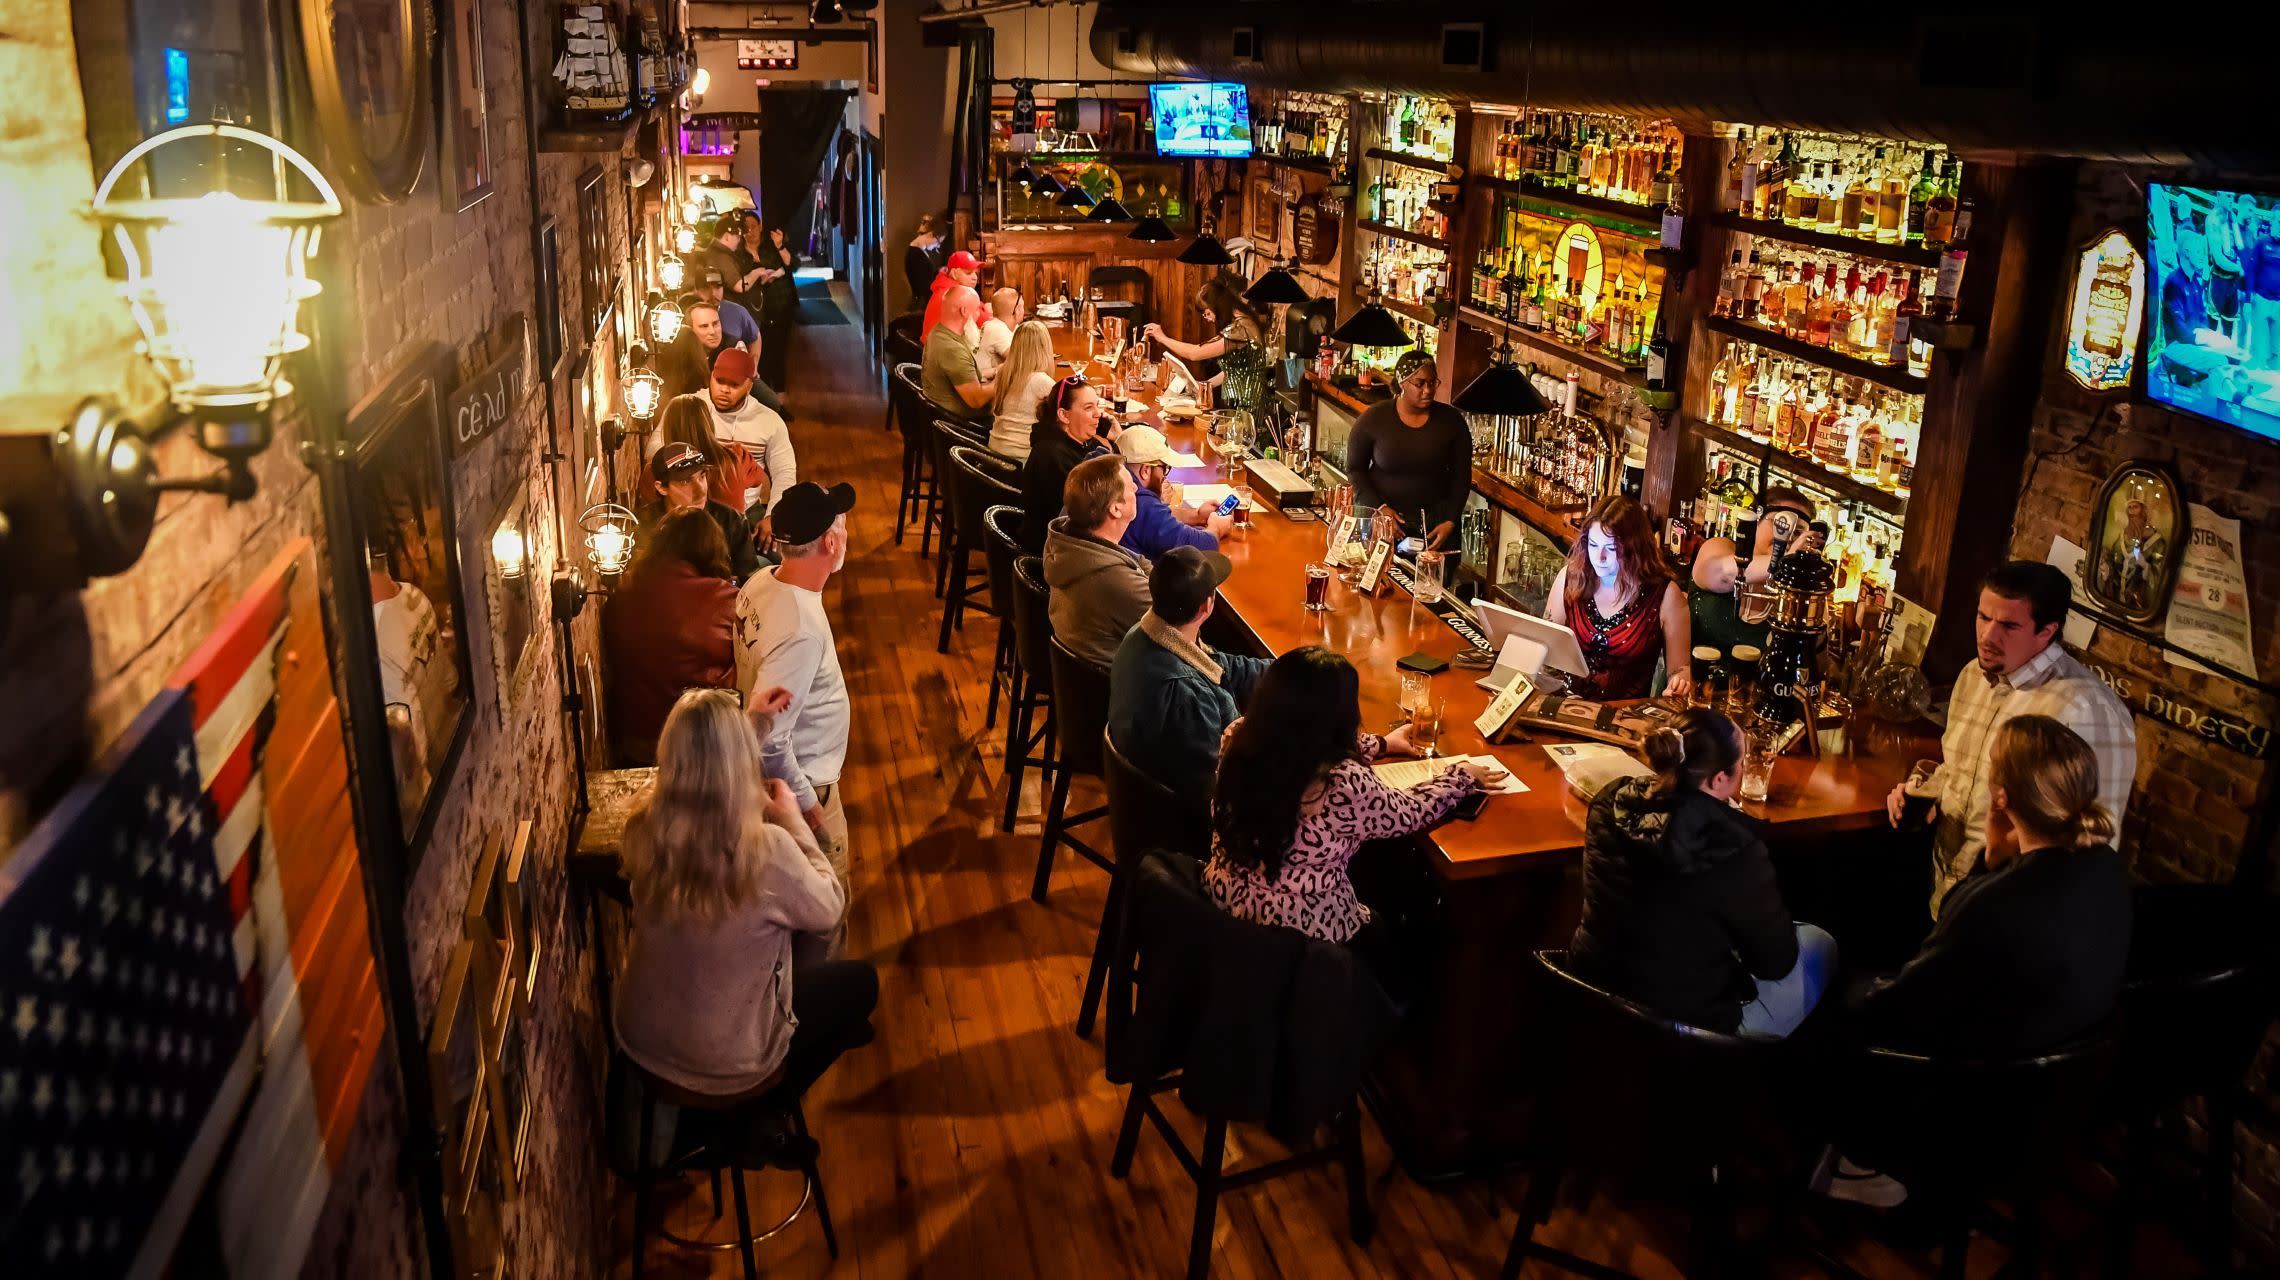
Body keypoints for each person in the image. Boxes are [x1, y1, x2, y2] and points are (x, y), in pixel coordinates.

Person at [613, 689, 876, 1106]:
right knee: (862, 985)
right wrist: (794, 822)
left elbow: (705, 763)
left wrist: (752, 724)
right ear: (741, 764)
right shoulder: (766, 851)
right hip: (731, 1072)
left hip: (641, 1048)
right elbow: (829, 906)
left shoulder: (646, 830)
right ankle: (765, 1118)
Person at [1857, 714, 2132, 1058]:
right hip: (2068, 1079)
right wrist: (1994, 857)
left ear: (2000, 797)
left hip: (1979, 1081)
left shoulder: (1995, 903)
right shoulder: (2106, 864)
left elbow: (1896, 1005)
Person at [1883, 561, 2136, 917]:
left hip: (2011, 912)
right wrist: (1920, 791)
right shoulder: (1973, 674)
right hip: (1949, 893)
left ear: (2047, 631)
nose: (1987, 636)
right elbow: (1960, 769)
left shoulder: (2087, 710)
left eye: (2008, 625)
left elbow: (2094, 839)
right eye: (1984, 617)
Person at [1205, 647, 1501, 946]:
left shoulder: (1238, 736)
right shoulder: (1341, 781)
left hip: (1225, 903)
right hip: (1303, 933)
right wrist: (1461, 775)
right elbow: (1408, 813)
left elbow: (1296, 744)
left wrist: (1383, 744)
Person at [1569, 708, 1837, 1037]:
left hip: (1592, 988)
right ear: (1719, 778)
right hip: (1689, 1025)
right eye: (1740, 765)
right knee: (1819, 943)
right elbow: (1774, 963)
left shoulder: (1610, 799)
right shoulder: (1735, 847)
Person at [736, 482, 858, 929]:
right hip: (806, 786)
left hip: (781, 785)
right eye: (842, 528)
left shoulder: (760, 582)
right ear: (829, 542)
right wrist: (810, 809)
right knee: (826, 918)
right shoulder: (801, 629)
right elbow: (771, 741)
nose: (845, 536)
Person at [1107, 546, 1268, 800]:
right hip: (1184, 820)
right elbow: (1217, 784)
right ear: (1207, 606)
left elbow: (1221, 665)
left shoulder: (1143, 633)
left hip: (1144, 792)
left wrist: (1285, 671)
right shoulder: (1186, 695)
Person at [601, 508, 742, 764]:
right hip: (705, 743)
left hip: (637, 744)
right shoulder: (727, 600)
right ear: (713, 550)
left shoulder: (621, 598)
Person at [1545, 495, 1693, 701]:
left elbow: (1680, 670)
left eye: (1611, 548)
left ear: (1636, 547)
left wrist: (1680, 683)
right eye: (1594, 545)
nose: (1600, 557)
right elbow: (1545, 644)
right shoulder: (1571, 577)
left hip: (1623, 719)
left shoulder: (1666, 595)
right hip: (1565, 705)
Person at [1342, 350, 1473, 551]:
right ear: (1402, 383)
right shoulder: (1374, 418)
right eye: (1419, 384)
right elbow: (1354, 469)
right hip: (1382, 520)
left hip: (1435, 526)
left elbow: (1462, 477)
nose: (1428, 390)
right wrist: (1379, 509)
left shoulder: (1452, 422)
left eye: (1432, 382)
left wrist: (1450, 520)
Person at [1043, 455, 1151, 669]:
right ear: (1115, 509)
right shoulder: (1116, 580)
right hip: (1121, 693)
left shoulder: (1067, 544)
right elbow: (1179, 631)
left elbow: (1136, 560)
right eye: (1131, 487)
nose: (1137, 491)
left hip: (1080, 684)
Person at [635, 441, 759, 581]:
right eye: (685, 481)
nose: (701, 490)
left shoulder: (733, 521)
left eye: (702, 476)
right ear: (661, 488)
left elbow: (749, 581)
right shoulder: (643, 524)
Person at [1020, 374, 1117, 552]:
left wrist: (1115, 437)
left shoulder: (1078, 442)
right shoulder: (1053, 457)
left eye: (1098, 406)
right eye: (1088, 408)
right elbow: (1096, 513)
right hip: (1055, 554)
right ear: (1064, 415)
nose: (1098, 414)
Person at [705, 347, 797, 531]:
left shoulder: (769, 421)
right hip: (701, 509)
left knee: (778, 555)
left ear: (749, 386)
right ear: (711, 376)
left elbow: (784, 473)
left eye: (734, 384)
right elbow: (656, 448)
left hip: (748, 512)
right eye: (719, 381)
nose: (724, 389)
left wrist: (772, 517)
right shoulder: (692, 407)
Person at [1116, 425, 1230, 559]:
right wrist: (1216, 528)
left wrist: (1196, 515)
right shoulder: (1139, 502)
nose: (1165, 476)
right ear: (1145, 470)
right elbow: (1200, 547)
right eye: (1164, 468)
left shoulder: (1115, 483)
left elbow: (1157, 520)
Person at [1140, 275, 1267, 388]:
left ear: (1217, 305)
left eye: (1207, 313)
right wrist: (1202, 387)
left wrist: (1162, 338)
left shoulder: (1241, 329)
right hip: (1238, 402)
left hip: (1244, 408)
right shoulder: (1243, 324)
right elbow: (1232, 370)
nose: (1208, 319)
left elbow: (1194, 353)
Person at [921, 285, 994, 424]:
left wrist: (996, 371)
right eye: (977, 309)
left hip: (944, 418)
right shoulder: (952, 349)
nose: (979, 314)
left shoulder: (938, 332)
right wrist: (1003, 380)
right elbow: (976, 400)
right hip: (964, 426)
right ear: (964, 311)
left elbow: (961, 375)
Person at [987, 319, 1057, 460]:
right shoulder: (1041, 381)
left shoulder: (1003, 373)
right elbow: (1067, 413)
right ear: (1045, 348)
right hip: (1021, 460)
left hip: (994, 453)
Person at [752, 223, 801, 391]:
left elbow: (793, 265)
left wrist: (780, 246)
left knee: (779, 352)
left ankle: (779, 400)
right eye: (746, 227)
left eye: (753, 226)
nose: (750, 231)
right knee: (761, 356)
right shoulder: (740, 252)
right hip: (755, 310)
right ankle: (765, 399)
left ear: (760, 227)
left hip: (780, 305)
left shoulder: (771, 247)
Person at [921, 250, 985, 342]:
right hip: (941, 350)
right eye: (968, 273)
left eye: (976, 273)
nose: (975, 277)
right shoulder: (955, 293)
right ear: (954, 274)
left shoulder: (946, 287)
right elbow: (985, 322)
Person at [708, 216, 765, 316]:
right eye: (737, 237)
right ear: (727, 237)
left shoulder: (716, 253)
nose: (739, 240)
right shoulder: (722, 257)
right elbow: (739, 286)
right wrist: (757, 272)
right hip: (728, 313)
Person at [695, 267, 761, 350]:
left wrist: (752, 362)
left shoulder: (737, 311)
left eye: (717, 287)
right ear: (696, 291)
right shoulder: (688, 314)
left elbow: (755, 337)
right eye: (706, 288)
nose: (713, 294)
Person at [976, 286, 1023, 380]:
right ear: (1017, 310)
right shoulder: (996, 329)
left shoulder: (1006, 326)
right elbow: (1021, 360)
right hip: (985, 386)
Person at [904, 212, 947, 306]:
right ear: (932, 235)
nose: (938, 246)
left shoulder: (918, 251)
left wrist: (938, 271)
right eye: (939, 242)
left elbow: (925, 276)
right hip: (922, 305)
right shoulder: (916, 255)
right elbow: (924, 286)